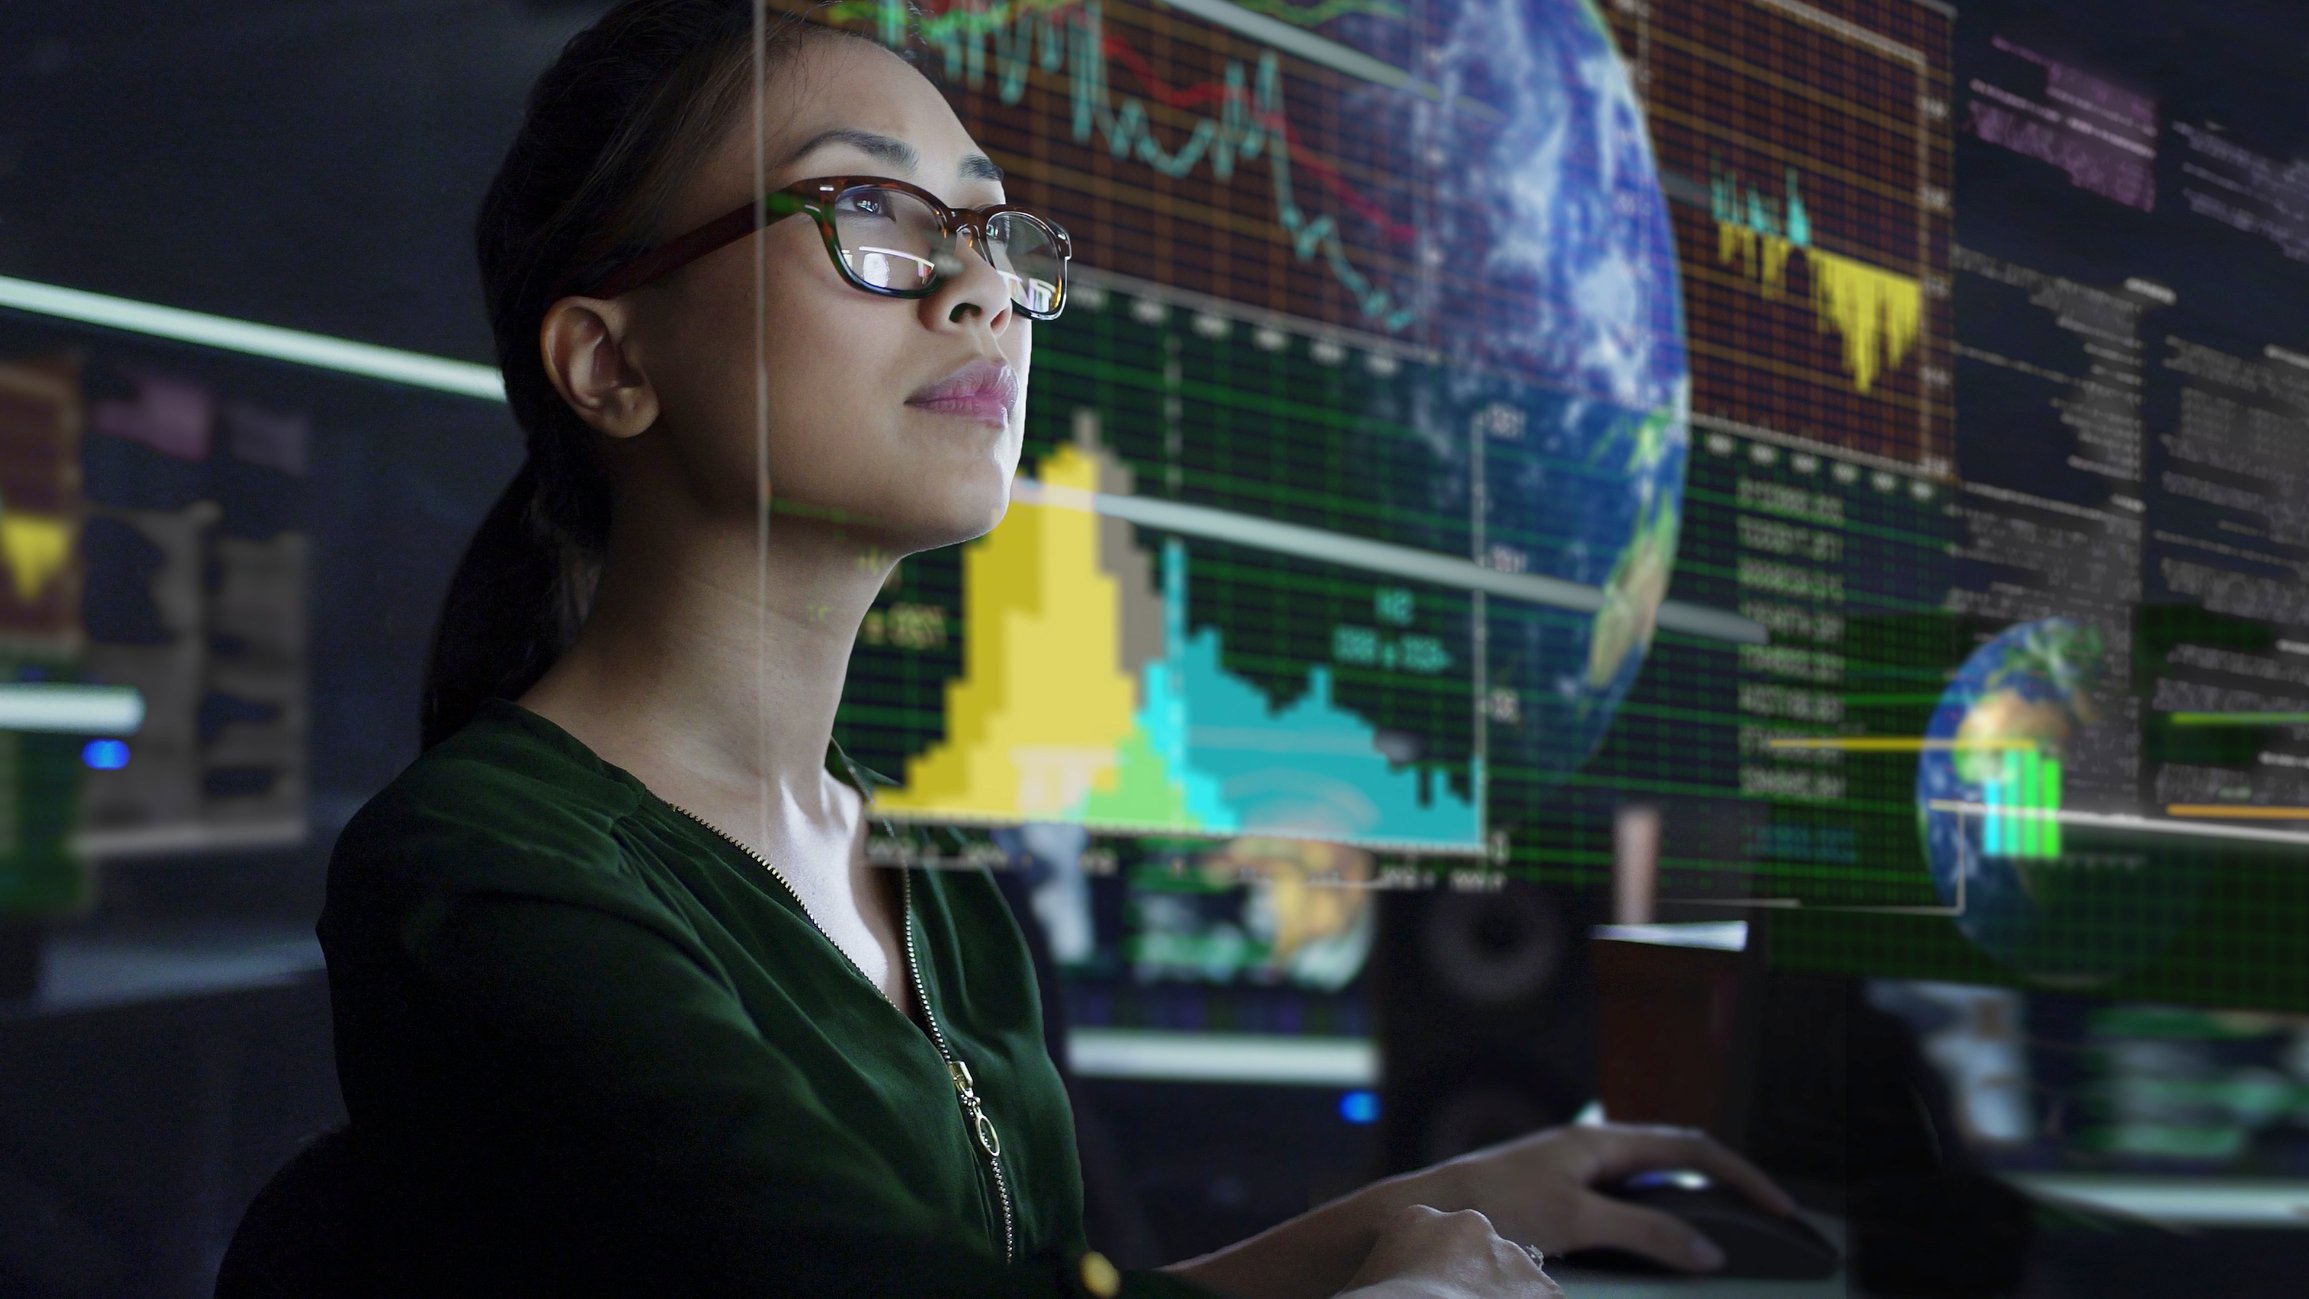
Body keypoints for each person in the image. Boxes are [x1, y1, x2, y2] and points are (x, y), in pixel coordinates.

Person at [317, 2, 1795, 1295]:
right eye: (872, 217)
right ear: (610, 362)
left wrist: (1402, 1223)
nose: (982, 297)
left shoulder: (922, 877)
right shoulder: (483, 873)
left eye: (993, 233)